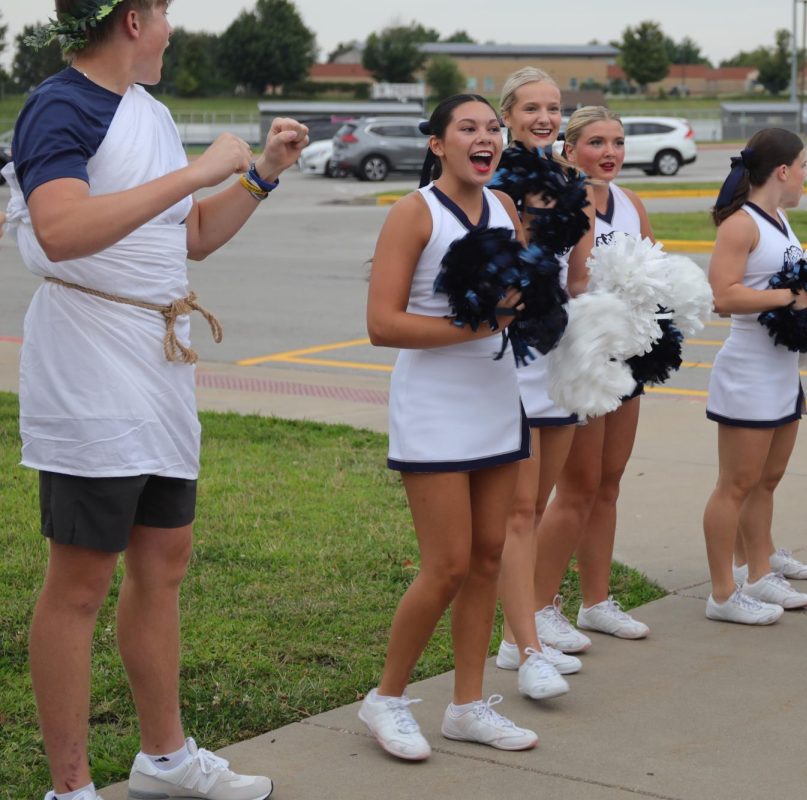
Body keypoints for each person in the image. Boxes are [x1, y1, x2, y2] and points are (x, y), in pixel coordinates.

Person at [6, 2, 308, 798]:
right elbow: (62, 228)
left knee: (163, 562)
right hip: (90, 365)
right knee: (79, 581)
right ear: (135, 19)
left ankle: (164, 760)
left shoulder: (152, 115)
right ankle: (69, 788)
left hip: (157, 364)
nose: (173, 32)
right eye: (167, 15)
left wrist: (258, 174)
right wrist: (199, 168)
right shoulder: (59, 106)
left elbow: (193, 232)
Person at [361, 94, 538, 759]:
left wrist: (528, 299)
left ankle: (466, 705)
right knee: (447, 565)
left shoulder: (504, 208)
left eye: (493, 128)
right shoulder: (413, 214)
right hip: (434, 405)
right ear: (438, 143)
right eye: (469, 127)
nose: (485, 136)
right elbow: (382, 324)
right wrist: (477, 323)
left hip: (496, 397)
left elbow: (518, 293)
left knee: (490, 555)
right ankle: (385, 698)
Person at [532, 106, 656, 645]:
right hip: (579, 355)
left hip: (623, 354)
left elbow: (656, 269)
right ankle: (538, 607)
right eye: (596, 142)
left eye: (618, 142)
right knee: (577, 489)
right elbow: (560, 282)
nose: (609, 153)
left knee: (609, 482)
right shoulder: (563, 201)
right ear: (569, 148)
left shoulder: (631, 202)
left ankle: (597, 601)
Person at [490, 68, 593, 687]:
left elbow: (574, 278)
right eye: (531, 107)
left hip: (557, 350)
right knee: (520, 509)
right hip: (512, 350)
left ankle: (516, 635)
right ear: (508, 113)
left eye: (553, 107)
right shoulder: (497, 178)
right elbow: (504, 264)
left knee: (541, 501)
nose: (545, 117)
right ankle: (523, 645)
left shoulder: (568, 180)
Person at [700, 129, 807, 625]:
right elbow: (724, 297)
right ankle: (722, 594)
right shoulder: (740, 225)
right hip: (748, 372)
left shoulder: (780, 220)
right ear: (783, 171)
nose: (805, 175)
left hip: (782, 372)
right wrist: (788, 298)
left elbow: (791, 283)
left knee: (766, 482)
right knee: (736, 485)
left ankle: (758, 572)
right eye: (804, 165)